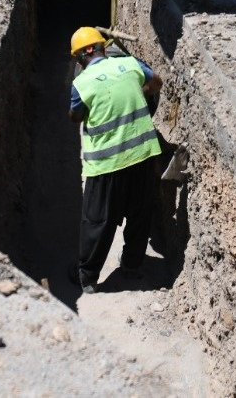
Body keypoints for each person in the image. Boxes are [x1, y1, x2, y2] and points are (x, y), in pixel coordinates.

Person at [68, 26, 164, 293]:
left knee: (97, 220)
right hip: (143, 155)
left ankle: (87, 277)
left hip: (105, 164)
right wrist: (137, 93)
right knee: (139, 212)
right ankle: (132, 267)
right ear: (103, 48)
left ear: (80, 59)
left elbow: (75, 116)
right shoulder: (130, 65)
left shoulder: (81, 84)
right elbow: (157, 83)